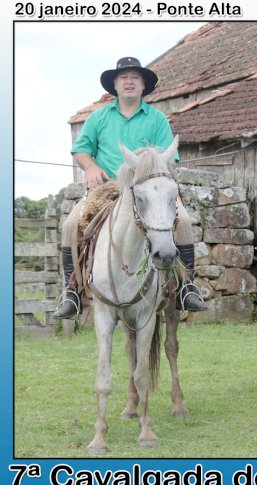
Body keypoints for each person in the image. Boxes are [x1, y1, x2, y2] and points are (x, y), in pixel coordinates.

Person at [52, 57, 207, 319]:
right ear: (115, 84)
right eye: (123, 77)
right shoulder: (98, 117)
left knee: (184, 223)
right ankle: (72, 291)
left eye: (135, 77)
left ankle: (187, 287)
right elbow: (80, 150)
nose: (129, 81)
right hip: (106, 189)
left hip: (147, 190)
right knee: (70, 225)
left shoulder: (157, 119)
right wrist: (89, 167)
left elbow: (170, 159)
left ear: (143, 84)